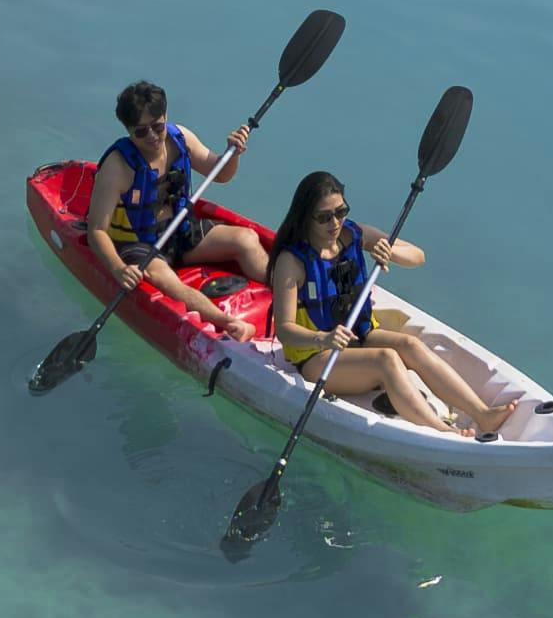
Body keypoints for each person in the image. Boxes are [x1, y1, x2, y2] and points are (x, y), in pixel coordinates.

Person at [264, 170, 526, 440]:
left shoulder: (355, 234)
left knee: (409, 345)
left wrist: (391, 252)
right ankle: (445, 432)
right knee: (386, 359)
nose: (335, 223)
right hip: (317, 359)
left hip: (361, 337)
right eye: (324, 217)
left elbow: (418, 256)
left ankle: (483, 414)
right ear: (306, 217)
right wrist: (325, 338)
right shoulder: (291, 262)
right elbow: (284, 329)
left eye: (341, 212)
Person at [87, 80, 262, 340]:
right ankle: (229, 324)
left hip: (179, 230)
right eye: (141, 132)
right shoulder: (117, 167)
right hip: (140, 243)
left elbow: (221, 173)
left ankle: (288, 295)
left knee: (246, 239)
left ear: (165, 117)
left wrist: (232, 153)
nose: (153, 137)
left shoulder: (181, 138)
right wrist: (117, 268)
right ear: (128, 131)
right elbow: (97, 230)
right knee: (165, 278)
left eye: (158, 126)